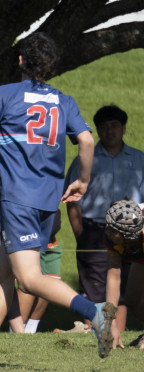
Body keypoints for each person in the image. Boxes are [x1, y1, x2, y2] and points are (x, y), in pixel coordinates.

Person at [0, 32, 114, 371]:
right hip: (47, 203)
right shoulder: (63, 100)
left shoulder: (5, 94)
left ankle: (95, 313)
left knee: (27, 279)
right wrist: (82, 181)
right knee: (4, 275)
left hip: (18, 201)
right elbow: (86, 141)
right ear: (51, 65)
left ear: (21, 60)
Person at [65, 105, 144, 331]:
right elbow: (72, 200)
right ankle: (96, 335)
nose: (110, 131)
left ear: (124, 128)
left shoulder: (139, 159)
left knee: (125, 290)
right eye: (104, 127)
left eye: (114, 126)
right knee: (95, 289)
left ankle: (116, 335)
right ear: (97, 130)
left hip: (134, 234)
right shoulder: (85, 160)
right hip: (95, 231)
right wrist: (81, 233)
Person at [13, 209, 63, 334]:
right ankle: (16, 333)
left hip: (50, 239)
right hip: (30, 237)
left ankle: (30, 331)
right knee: (29, 285)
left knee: (49, 285)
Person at [103, 200, 144, 350]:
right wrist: (111, 323)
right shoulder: (112, 235)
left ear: (129, 236)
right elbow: (113, 276)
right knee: (133, 300)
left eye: (112, 230)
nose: (107, 232)